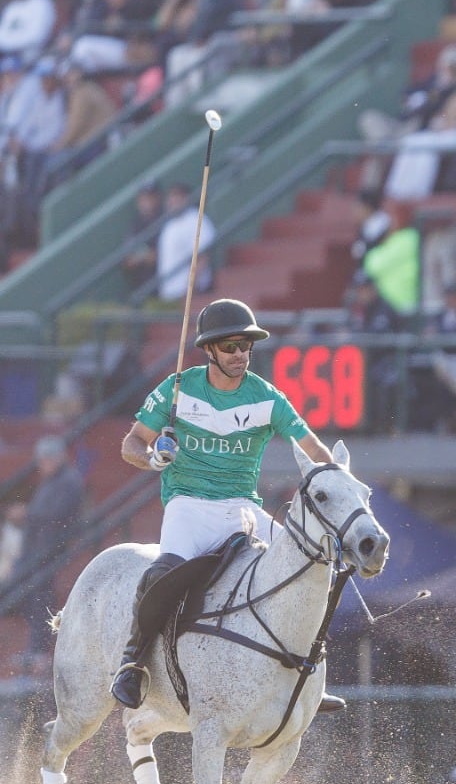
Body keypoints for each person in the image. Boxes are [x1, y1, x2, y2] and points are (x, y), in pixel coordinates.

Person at [110, 299, 345, 712]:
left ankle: (309, 670)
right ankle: (133, 663)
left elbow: (314, 448)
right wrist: (152, 459)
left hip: (243, 508)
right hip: (189, 505)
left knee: (310, 566)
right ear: (210, 350)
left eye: (246, 346)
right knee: (160, 574)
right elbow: (133, 443)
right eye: (231, 346)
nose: (241, 354)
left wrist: (336, 479)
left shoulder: (267, 398)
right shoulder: (178, 388)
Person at [21, 436, 85, 668]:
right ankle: (35, 649)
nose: (43, 464)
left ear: (58, 458)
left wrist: (26, 515)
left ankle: (40, 651)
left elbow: (58, 514)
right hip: (39, 549)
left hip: (54, 549)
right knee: (31, 596)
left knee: (41, 596)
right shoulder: (51, 481)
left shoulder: (69, 480)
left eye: (46, 459)